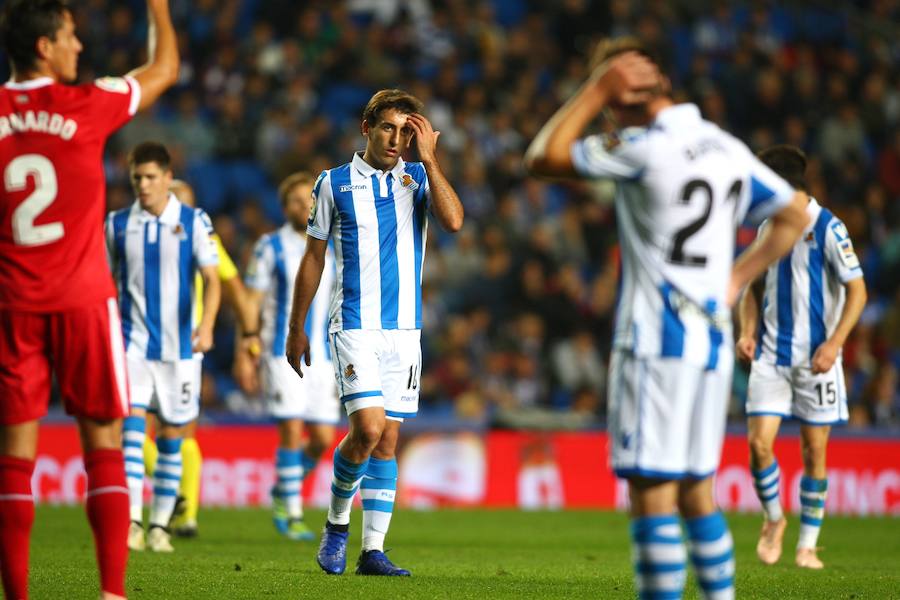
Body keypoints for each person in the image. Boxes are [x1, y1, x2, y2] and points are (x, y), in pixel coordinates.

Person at [524, 38, 809, 600]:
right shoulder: (722, 145)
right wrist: (734, 278)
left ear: (617, 99)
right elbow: (794, 213)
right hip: (710, 341)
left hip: (656, 341)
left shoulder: (641, 146)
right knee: (696, 491)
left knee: (651, 492)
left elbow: (542, 158)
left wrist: (593, 88)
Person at [0, 0, 177, 597]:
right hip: (82, 300)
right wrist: (158, 8)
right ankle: (111, 594)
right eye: (71, 36)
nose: (80, 47)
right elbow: (163, 69)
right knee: (103, 442)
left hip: (10, 302)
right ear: (45, 46)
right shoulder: (86, 104)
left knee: (13, 458)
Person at [285, 89, 463, 576]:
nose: (396, 138)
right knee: (367, 429)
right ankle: (337, 524)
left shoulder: (419, 178)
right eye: (388, 127)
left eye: (407, 130)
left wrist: (429, 159)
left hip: (405, 331)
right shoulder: (333, 183)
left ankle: (372, 552)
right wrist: (296, 325)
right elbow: (313, 257)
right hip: (355, 325)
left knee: (386, 442)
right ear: (367, 128)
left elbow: (453, 220)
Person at [736, 145, 866, 570]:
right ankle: (774, 519)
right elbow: (751, 287)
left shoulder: (828, 226)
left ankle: (807, 545)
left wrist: (835, 344)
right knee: (758, 446)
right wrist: (747, 330)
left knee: (814, 451)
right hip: (772, 354)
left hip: (817, 359)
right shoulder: (767, 229)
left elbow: (858, 291)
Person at [105, 142, 220, 553]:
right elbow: (104, 284)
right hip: (130, 343)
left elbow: (213, 277)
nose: (144, 185)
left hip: (181, 349)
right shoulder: (116, 225)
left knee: (171, 437)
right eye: (137, 177)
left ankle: (160, 526)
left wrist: (206, 325)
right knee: (131, 430)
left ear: (168, 178)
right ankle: (133, 520)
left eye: (151, 177)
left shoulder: (193, 220)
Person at [141, 178, 257, 539]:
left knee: (177, 430)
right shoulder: (140, 232)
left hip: (185, 343)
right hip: (141, 339)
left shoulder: (204, 238)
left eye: (184, 201)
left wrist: (248, 339)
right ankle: (177, 494)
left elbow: (234, 287)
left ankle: (185, 513)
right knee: (128, 426)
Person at [243, 172, 339, 541]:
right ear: (285, 208)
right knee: (292, 431)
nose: (305, 206)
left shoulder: (329, 248)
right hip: (279, 352)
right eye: (297, 201)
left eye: (310, 200)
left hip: (324, 357)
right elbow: (252, 299)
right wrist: (246, 347)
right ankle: (292, 512)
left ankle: (284, 485)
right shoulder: (270, 247)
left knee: (321, 438)